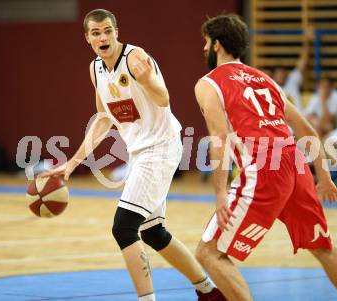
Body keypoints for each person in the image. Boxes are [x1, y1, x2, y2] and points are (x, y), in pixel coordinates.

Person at [41, 9, 225, 301]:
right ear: (87, 38)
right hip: (140, 152)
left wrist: (148, 80)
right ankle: (209, 292)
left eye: (107, 31)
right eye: (96, 33)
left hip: (161, 147)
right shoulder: (96, 69)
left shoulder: (135, 58)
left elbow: (164, 97)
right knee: (153, 232)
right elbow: (103, 118)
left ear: (116, 32)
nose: (103, 37)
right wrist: (72, 163)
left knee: (123, 227)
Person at [194, 14, 337, 301]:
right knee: (322, 245)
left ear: (218, 45)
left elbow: (219, 138)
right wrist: (323, 178)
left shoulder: (209, 83)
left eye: (206, 42)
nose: (203, 48)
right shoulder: (265, 79)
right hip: (295, 164)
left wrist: (221, 191)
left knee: (208, 252)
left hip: (264, 168)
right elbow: (307, 130)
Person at [272, 27, 312, 112]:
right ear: (274, 76)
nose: (281, 77)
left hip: (302, 117)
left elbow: (303, 62)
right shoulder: (272, 88)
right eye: (279, 74)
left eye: (283, 74)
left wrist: (307, 41)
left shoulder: (292, 80)